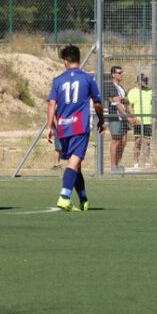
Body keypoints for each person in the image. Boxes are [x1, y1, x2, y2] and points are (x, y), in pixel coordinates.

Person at [47, 45, 104, 211]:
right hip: (79, 126)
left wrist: (50, 126)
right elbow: (98, 103)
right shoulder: (88, 79)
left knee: (76, 164)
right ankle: (64, 197)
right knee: (74, 162)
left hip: (63, 126)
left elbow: (51, 103)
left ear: (65, 61)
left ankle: (84, 199)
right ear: (78, 59)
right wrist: (101, 120)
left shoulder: (57, 80)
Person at [104, 65, 130, 173]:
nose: (121, 74)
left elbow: (124, 102)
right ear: (113, 74)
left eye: (121, 72)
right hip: (115, 117)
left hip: (122, 117)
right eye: (119, 73)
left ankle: (117, 164)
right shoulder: (110, 86)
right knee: (116, 140)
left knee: (123, 141)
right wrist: (128, 118)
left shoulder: (121, 88)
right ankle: (113, 166)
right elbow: (118, 104)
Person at [127, 73, 154, 168]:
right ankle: (136, 163)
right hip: (138, 121)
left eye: (146, 80)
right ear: (138, 81)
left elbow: (155, 104)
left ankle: (147, 162)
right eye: (143, 80)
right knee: (137, 141)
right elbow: (129, 105)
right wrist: (133, 117)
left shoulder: (151, 91)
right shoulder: (133, 92)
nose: (145, 82)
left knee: (147, 142)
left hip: (148, 120)